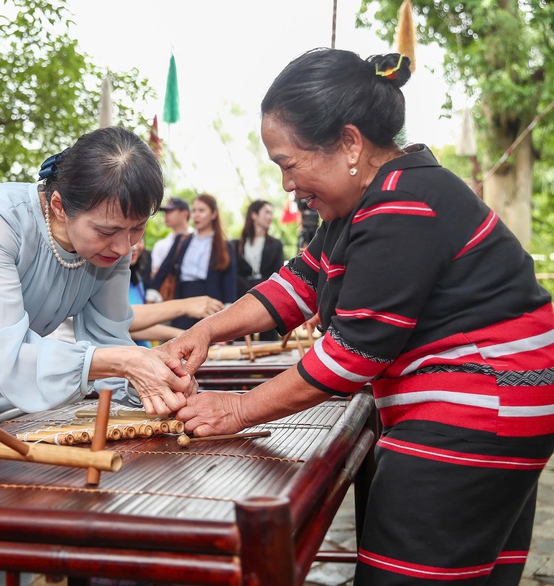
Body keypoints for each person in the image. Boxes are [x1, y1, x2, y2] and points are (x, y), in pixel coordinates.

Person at [163, 49, 554, 586]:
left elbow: (354, 353)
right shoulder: (368, 200)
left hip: (477, 406)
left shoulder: (401, 202)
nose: (287, 186)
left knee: (408, 574)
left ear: (349, 143)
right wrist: (205, 330)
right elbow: (298, 282)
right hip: (500, 405)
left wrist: (236, 409)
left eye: (288, 163)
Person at [0, 126, 191, 586]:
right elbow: (14, 354)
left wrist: (159, 384)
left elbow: (110, 338)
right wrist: (123, 364)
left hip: (21, 366)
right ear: (57, 206)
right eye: (108, 231)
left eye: (136, 229)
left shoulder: (115, 249)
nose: (124, 246)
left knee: (15, 496)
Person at [151, 193, 237, 329]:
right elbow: (165, 268)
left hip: (211, 305)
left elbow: (229, 282)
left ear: (213, 214)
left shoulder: (225, 246)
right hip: (183, 301)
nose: (196, 215)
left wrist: (228, 315)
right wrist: (152, 293)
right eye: (194, 211)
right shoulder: (182, 240)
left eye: (201, 211)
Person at [128, 237, 224, 346]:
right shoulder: (109, 281)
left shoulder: (137, 280)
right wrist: (186, 306)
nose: (134, 247)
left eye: (139, 240)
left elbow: (136, 324)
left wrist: (190, 335)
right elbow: (124, 321)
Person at [233, 199, 284, 340]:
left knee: (268, 343)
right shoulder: (237, 244)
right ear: (254, 215)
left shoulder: (275, 244)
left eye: (271, 213)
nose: (270, 216)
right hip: (242, 303)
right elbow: (235, 275)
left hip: (267, 301)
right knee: (240, 340)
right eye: (267, 212)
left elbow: (277, 274)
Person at [150, 196, 191, 278]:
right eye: (165, 212)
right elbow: (154, 276)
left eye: (170, 211)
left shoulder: (198, 240)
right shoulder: (161, 245)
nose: (165, 215)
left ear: (185, 213)